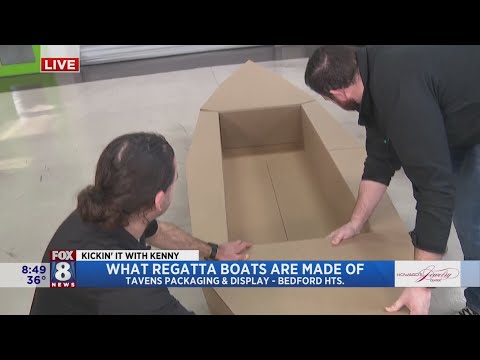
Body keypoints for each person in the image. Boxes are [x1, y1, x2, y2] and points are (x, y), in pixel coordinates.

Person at [304, 45, 480, 315]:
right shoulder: (372, 70)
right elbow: (380, 158)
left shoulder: (400, 96)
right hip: (454, 107)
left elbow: (435, 190)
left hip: (471, 111)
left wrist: (421, 285)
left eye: (328, 100)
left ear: (337, 94)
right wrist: (356, 223)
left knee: (472, 221)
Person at [30, 132, 251, 315]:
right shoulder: (135, 293)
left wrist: (214, 251)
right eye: (175, 178)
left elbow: (160, 233)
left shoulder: (100, 210)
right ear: (159, 200)